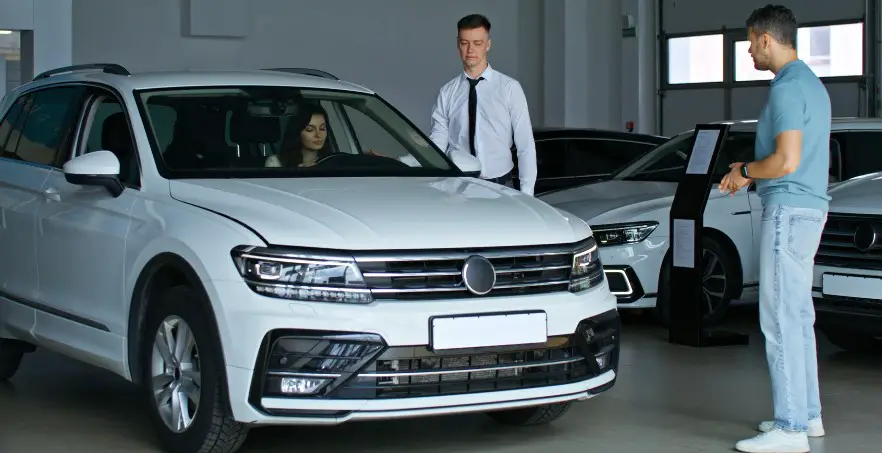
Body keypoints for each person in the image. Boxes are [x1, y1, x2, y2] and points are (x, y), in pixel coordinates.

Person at [719, 5, 831, 453]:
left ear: (767, 39)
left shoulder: (786, 88)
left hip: (788, 209)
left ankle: (790, 428)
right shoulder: (812, 84)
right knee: (799, 316)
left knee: (779, 319)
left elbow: (785, 161)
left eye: (750, 41)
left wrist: (744, 170)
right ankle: (808, 415)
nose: (748, 51)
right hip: (810, 210)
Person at [428, 13, 538, 195]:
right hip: (459, 189)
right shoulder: (447, 93)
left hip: (502, 187)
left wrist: (527, 195)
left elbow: (525, 145)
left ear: (488, 45)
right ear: (458, 44)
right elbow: (436, 145)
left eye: (477, 43)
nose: (470, 50)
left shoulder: (509, 88)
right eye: (465, 43)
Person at [266, 103, 331, 168]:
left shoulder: (332, 161)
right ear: (297, 132)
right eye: (310, 129)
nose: (318, 135)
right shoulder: (276, 163)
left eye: (322, 128)